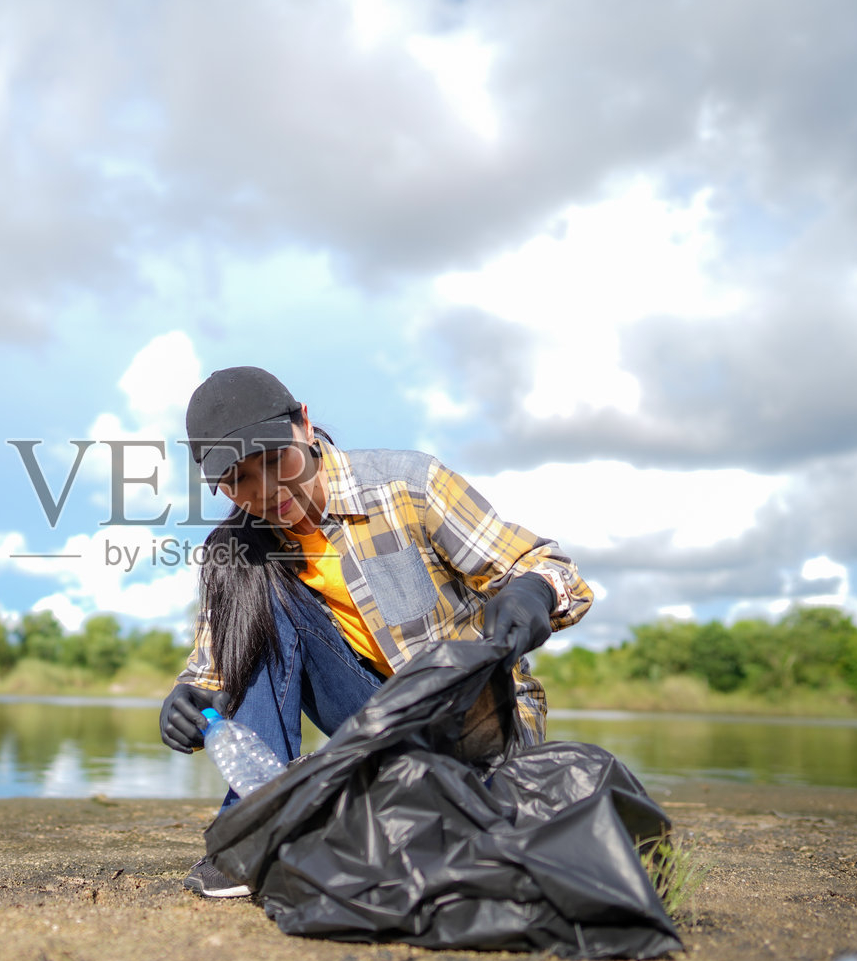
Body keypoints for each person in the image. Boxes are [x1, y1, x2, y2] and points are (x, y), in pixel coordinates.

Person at [161, 366, 593, 897]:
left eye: (275, 461)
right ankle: (255, 826)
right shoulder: (239, 548)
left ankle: (384, 809)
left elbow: (552, 568)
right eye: (237, 479)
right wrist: (187, 698)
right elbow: (213, 672)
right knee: (250, 575)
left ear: (304, 424)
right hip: (372, 723)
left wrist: (536, 592)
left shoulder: (410, 488)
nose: (265, 490)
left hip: (467, 722)